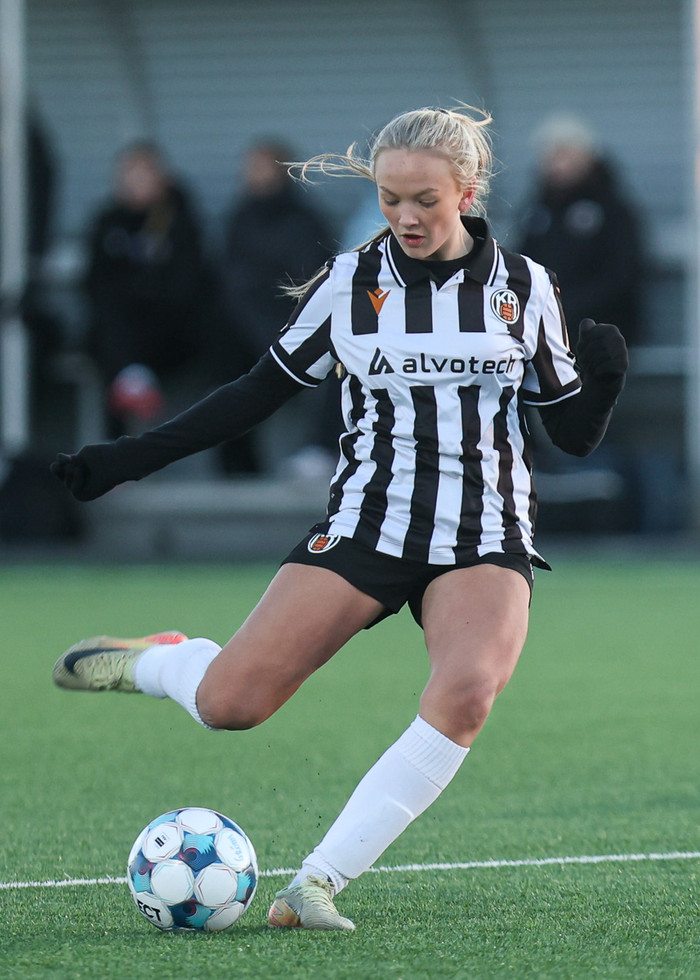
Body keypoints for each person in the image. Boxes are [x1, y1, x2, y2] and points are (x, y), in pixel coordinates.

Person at [50, 105, 628, 931]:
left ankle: (317, 881)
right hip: (367, 524)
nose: (405, 216)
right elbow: (255, 394)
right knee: (230, 705)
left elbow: (568, 433)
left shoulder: (524, 287)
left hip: (485, 534)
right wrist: (126, 458)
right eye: (390, 198)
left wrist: (600, 386)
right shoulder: (349, 285)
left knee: (467, 693)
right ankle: (159, 661)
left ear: (467, 193)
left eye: (424, 199)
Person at [217, 138, 339, 475]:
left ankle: (320, 449)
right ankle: (237, 466)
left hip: (290, 323)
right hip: (245, 326)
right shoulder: (240, 218)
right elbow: (231, 278)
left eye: (261, 167)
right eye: (249, 167)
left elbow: (310, 282)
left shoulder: (305, 221)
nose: (252, 175)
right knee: (225, 359)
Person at [82, 141, 211, 435]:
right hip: (117, 332)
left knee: (119, 338)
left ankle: (132, 383)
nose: (136, 183)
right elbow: (95, 282)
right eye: (130, 174)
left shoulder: (179, 221)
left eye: (145, 174)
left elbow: (187, 284)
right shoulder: (107, 222)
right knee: (111, 321)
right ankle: (133, 383)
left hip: (168, 331)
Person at [517, 114, 643, 351]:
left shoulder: (612, 209)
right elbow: (522, 262)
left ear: (586, 155)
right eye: (548, 154)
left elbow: (622, 273)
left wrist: (571, 306)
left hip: (602, 334)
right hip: (542, 334)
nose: (555, 162)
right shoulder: (537, 210)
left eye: (563, 153)